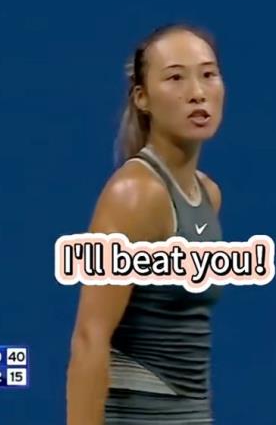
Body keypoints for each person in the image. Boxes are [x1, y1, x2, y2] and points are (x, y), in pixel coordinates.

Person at [67, 23, 226, 424]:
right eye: (175, 77)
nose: (197, 92)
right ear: (142, 98)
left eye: (208, 74)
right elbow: (90, 339)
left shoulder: (209, 194)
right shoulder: (135, 195)